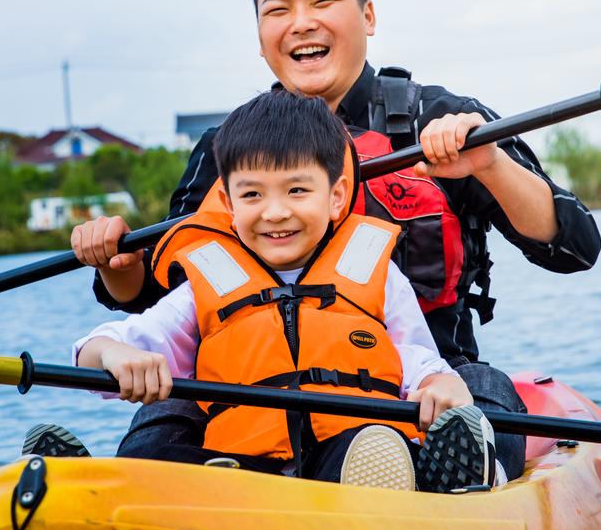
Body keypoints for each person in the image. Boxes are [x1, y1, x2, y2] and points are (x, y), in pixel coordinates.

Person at [73, 0, 601, 483]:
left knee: (478, 400)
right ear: (259, 36)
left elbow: (574, 250)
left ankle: (432, 492)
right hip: (244, 390)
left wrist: (489, 165)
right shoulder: (228, 149)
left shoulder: (441, 120)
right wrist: (119, 270)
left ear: (368, 16)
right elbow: (166, 300)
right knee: (164, 410)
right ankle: (126, 498)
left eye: (323, 1)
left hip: (419, 378)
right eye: (278, 9)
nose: (301, 23)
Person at [25, 88, 496, 492]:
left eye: (296, 191)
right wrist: (111, 354)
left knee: (371, 443)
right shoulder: (211, 279)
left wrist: (440, 384)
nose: (274, 212)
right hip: (240, 462)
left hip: (345, 454)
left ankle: (385, 497)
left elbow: (415, 357)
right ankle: (97, 496)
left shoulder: (374, 269)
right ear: (227, 204)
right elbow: (102, 347)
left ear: (335, 197)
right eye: (253, 195)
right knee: (165, 447)